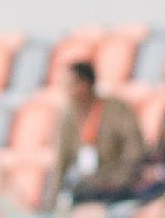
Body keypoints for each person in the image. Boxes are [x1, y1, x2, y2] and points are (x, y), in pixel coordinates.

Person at [51, 58, 149, 200]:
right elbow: (61, 158)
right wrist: (54, 197)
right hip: (84, 186)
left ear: (84, 85)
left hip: (115, 186)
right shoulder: (67, 116)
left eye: (70, 84)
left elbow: (134, 148)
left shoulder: (116, 109)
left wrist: (122, 178)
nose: (66, 90)